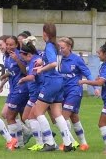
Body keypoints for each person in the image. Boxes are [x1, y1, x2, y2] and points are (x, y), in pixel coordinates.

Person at [33, 23, 74, 152]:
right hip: (59, 81)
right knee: (57, 113)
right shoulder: (56, 46)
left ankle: (50, 142)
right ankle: (68, 143)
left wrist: (41, 69)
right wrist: (42, 62)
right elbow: (54, 61)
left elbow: (53, 63)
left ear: (45, 32)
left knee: (37, 112)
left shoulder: (49, 46)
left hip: (51, 81)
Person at [58, 37, 100, 151]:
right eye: (59, 47)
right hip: (63, 91)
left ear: (69, 47)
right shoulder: (59, 59)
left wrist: (95, 87)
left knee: (63, 117)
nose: (60, 49)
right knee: (74, 117)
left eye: (63, 47)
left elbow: (87, 73)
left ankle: (69, 142)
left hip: (74, 91)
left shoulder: (77, 60)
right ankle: (84, 143)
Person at [2, 36, 30, 148]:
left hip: (21, 89)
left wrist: (17, 60)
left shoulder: (19, 55)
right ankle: (20, 143)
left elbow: (25, 71)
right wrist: (4, 78)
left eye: (11, 45)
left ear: (16, 45)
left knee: (9, 115)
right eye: (7, 44)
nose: (9, 47)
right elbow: (12, 72)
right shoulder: (7, 56)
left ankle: (14, 143)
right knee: (20, 117)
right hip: (14, 89)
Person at [18, 41, 44, 151]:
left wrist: (23, 79)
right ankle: (45, 137)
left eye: (22, 56)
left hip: (37, 93)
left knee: (31, 117)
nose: (22, 58)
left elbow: (32, 77)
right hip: (33, 93)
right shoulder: (30, 61)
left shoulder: (34, 61)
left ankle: (42, 141)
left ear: (28, 54)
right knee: (25, 117)